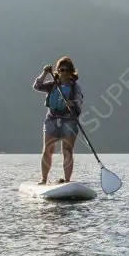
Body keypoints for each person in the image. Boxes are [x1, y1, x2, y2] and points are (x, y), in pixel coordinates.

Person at [32, 56, 84, 184]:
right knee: (47, 150)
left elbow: (79, 102)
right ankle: (44, 179)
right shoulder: (53, 85)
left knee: (67, 151)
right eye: (61, 70)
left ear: (71, 72)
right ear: (58, 71)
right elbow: (37, 86)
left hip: (68, 121)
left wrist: (73, 104)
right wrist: (44, 72)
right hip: (52, 119)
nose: (64, 73)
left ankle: (67, 180)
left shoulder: (75, 87)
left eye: (66, 70)